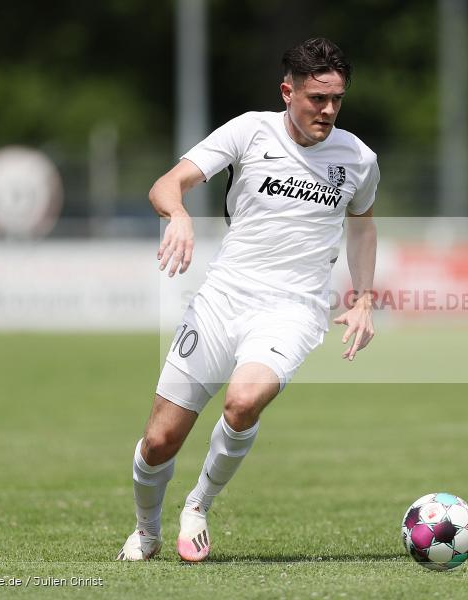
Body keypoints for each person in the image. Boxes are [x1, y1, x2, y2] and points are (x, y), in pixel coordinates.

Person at [116, 37, 379, 562]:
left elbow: (363, 225)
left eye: (337, 100)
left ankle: (198, 506)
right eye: (316, 99)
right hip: (220, 300)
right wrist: (180, 214)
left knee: (242, 402)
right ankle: (147, 531)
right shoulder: (247, 131)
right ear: (288, 92)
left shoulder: (359, 158)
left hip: (294, 309)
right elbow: (166, 185)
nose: (328, 110)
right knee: (159, 442)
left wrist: (364, 296)